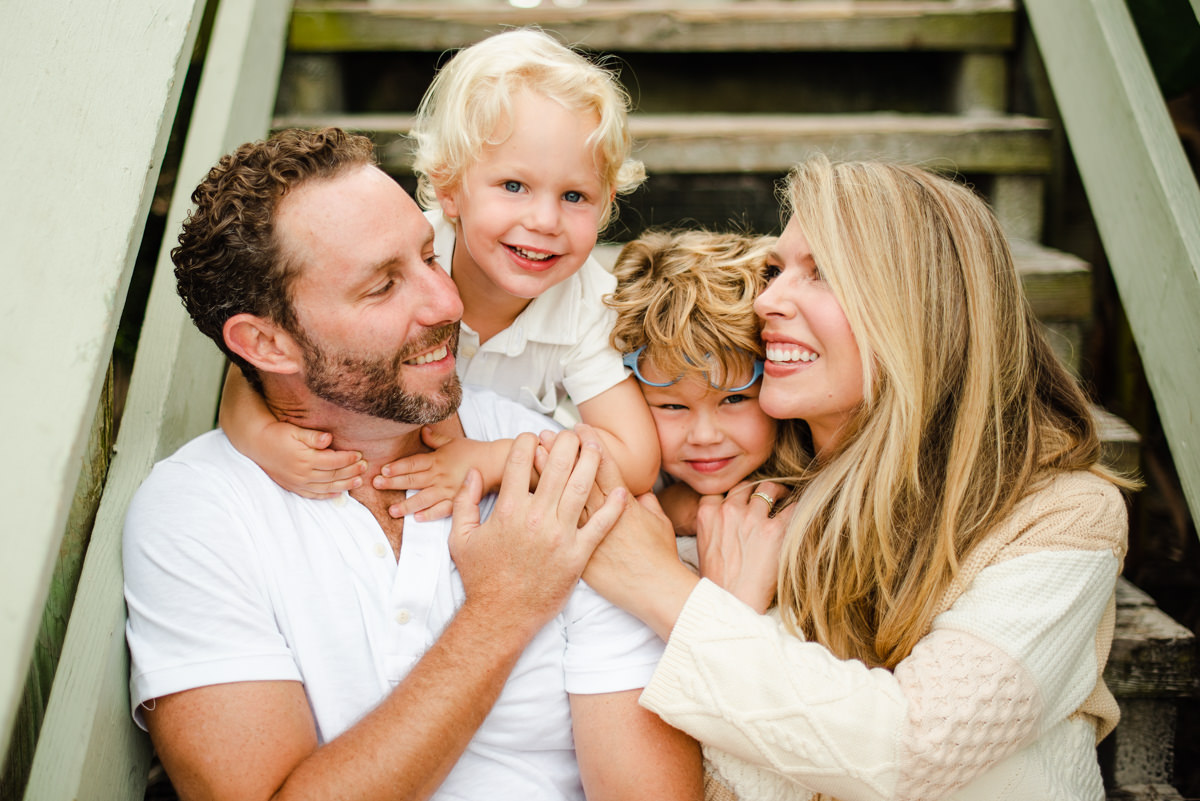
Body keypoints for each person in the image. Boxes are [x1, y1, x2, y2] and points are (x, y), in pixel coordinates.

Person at [122, 127, 701, 801]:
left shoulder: (549, 465)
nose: (448, 303)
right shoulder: (200, 515)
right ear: (266, 343)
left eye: (431, 256)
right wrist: (504, 606)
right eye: (382, 286)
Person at [578, 156, 1134, 800]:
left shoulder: (1059, 515)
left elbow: (916, 750)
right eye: (777, 270)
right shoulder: (738, 506)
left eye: (822, 274)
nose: (768, 300)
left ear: (924, 307)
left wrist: (667, 590)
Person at [218, 28, 659, 520]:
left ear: (606, 206)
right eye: (514, 185)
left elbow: (636, 459)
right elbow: (257, 367)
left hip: (492, 492)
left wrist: (493, 461)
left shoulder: (588, 306)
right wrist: (262, 438)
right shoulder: (405, 255)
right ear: (449, 190)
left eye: (575, 196)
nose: (544, 221)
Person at [604, 230, 808, 557]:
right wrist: (678, 507)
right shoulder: (627, 465)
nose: (704, 436)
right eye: (672, 406)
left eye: (734, 398)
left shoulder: (815, 469)